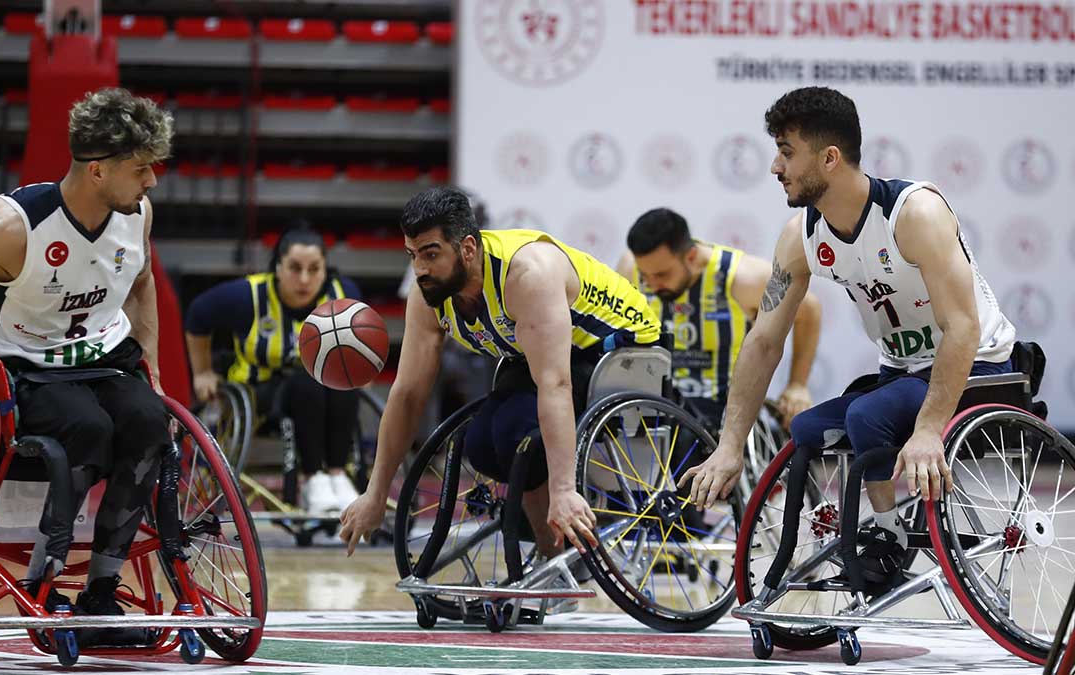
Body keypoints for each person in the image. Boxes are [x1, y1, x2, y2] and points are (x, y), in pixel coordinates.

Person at [678, 86, 1016, 590]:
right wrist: (730, 447)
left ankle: (887, 542)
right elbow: (764, 341)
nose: (775, 166)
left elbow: (963, 327)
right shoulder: (800, 236)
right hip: (902, 374)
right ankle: (853, 544)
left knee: (866, 415)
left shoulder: (914, 214)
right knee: (808, 428)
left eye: (786, 152)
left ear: (830, 158)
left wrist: (929, 430)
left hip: (981, 365)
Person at [0, 87, 175, 644]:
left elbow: (141, 281)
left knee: (148, 423)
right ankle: (43, 580)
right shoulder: (11, 226)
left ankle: (101, 590)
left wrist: (154, 370)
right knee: (87, 428)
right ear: (97, 170)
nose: (152, 182)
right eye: (141, 169)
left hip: (104, 357)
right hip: (26, 367)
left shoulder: (136, 213)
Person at [339, 186, 661, 561]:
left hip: (619, 350)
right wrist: (376, 493)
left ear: (468, 249)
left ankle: (557, 545)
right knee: (480, 444)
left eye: (431, 254)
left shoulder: (526, 274)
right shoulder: (428, 295)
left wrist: (563, 490)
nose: (420, 270)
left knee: (516, 432)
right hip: (544, 353)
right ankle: (553, 548)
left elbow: (556, 383)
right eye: (413, 255)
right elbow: (408, 393)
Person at [184, 224, 364, 515]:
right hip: (259, 392)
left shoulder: (343, 294)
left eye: (314, 269)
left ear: (325, 270)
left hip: (321, 392)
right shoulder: (248, 295)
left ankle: (337, 475)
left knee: (342, 379)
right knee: (308, 381)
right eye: (294, 268)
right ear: (278, 267)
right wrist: (202, 372)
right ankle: (314, 480)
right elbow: (197, 314)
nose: (304, 279)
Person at [617, 208, 821, 429]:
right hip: (656, 400)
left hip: (721, 409)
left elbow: (809, 309)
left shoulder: (743, 278)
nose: (651, 284)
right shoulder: (630, 268)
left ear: (691, 257)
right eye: (645, 275)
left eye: (661, 275)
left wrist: (797, 384)